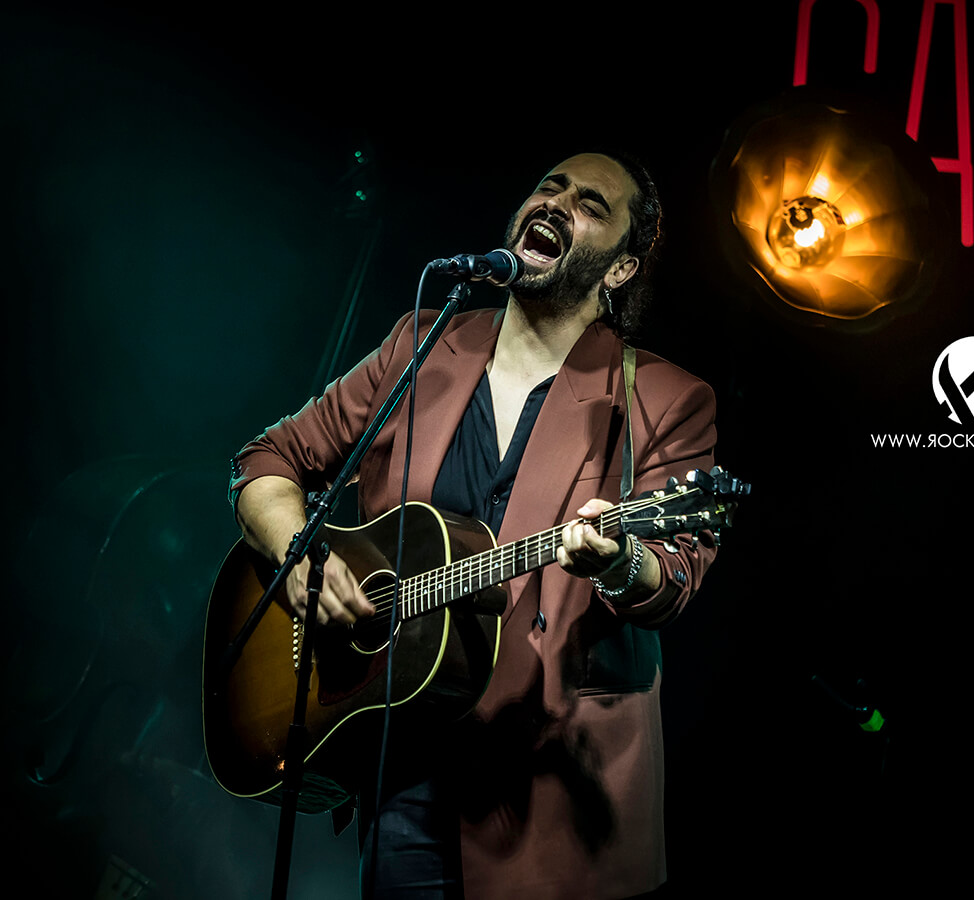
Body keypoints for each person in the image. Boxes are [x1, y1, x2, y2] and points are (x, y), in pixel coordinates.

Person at [228, 151, 719, 899]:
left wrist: (621, 561)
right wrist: (302, 557)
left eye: (590, 204)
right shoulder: (424, 345)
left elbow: (674, 573)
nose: (556, 203)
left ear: (621, 269)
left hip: (549, 788)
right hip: (403, 766)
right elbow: (268, 460)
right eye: (549, 186)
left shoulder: (664, 397)